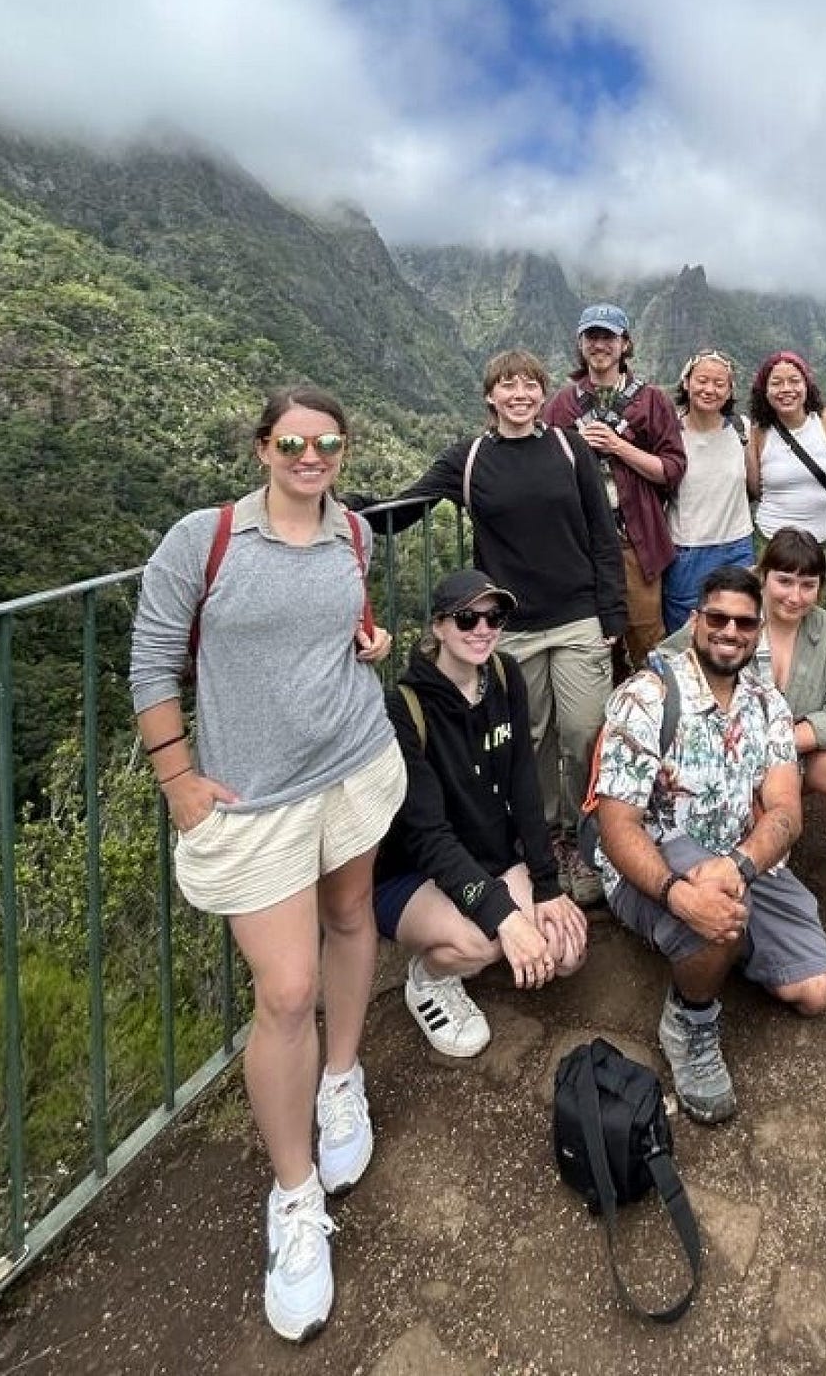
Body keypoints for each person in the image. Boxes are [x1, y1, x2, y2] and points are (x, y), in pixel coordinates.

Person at [129, 386, 405, 1343]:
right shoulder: (202, 542)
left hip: (353, 760)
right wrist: (179, 780)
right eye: (293, 440)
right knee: (285, 990)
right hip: (252, 796)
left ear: (343, 449)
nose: (311, 454)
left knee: (352, 918)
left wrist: (368, 646)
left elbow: (347, 632)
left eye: (328, 440)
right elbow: (152, 662)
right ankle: (295, 1196)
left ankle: (342, 1077)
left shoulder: (354, 537)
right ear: (262, 448)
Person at [352, 350, 625, 908]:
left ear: (543, 393)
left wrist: (611, 614)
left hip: (576, 616)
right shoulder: (470, 459)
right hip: (507, 628)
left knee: (582, 733)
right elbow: (410, 505)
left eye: (529, 384)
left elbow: (602, 532)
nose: (519, 394)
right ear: (489, 396)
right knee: (528, 740)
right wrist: (354, 512)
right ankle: (545, 837)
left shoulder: (568, 448)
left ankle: (582, 836)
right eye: (507, 385)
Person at [594, 567, 826, 1125]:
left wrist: (738, 864)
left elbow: (784, 809)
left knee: (814, 989)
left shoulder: (765, 702)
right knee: (718, 913)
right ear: (696, 619)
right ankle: (691, 1017)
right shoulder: (648, 696)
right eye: (718, 618)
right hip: (658, 854)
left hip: (733, 854)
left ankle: (715, 941)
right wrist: (679, 896)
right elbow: (617, 826)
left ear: (757, 631)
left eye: (744, 622)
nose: (731, 631)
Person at [375, 569, 589, 1062]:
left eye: (495, 617)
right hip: (415, 873)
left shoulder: (506, 674)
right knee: (483, 940)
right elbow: (427, 836)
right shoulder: (405, 708)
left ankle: (489, 932)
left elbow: (523, 782)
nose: (483, 630)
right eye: (467, 618)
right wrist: (506, 918)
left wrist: (547, 882)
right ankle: (429, 978)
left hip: (489, 853)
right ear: (439, 627)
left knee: (568, 952)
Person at [663, 527, 826, 950]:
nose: (795, 596)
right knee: (756, 840)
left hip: (795, 751)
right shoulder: (737, 620)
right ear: (763, 576)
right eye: (784, 581)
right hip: (729, 756)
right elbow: (664, 659)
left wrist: (775, 740)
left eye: (808, 585)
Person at [543, 303, 687, 671]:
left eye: (609, 336)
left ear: (625, 343)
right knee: (592, 642)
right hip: (581, 544)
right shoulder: (562, 405)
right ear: (580, 343)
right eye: (592, 336)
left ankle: (651, 715)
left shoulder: (652, 401)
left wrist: (618, 447)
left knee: (645, 636)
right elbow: (545, 466)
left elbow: (672, 469)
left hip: (633, 541)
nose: (600, 345)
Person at [661, 349, 756, 632]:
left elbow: (754, 486)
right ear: (686, 383)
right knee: (685, 631)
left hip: (738, 545)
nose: (709, 389)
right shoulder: (669, 434)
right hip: (687, 549)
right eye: (702, 380)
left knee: (736, 627)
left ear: (729, 392)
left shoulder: (742, 430)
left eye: (719, 384)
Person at [747, 350, 826, 546]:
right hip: (771, 544)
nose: (786, 389)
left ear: (806, 385)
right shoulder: (758, 433)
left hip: (825, 543)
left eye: (794, 381)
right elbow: (756, 490)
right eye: (776, 383)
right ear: (765, 391)